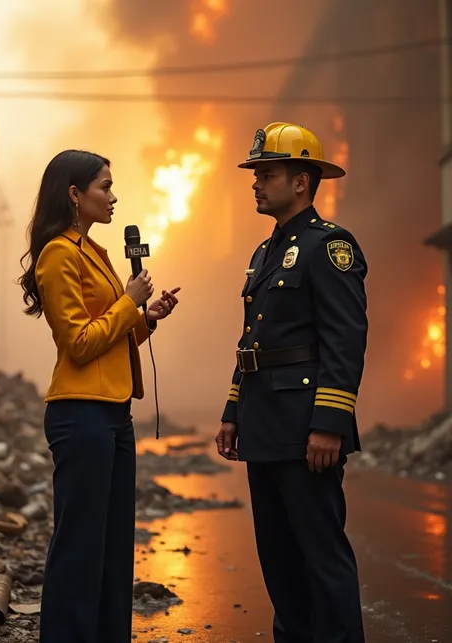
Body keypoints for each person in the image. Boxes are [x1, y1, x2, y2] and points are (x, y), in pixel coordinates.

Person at [18, 149, 180, 643]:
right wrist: (129, 302)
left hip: (114, 414)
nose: (113, 197)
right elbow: (80, 342)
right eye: (104, 187)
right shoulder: (58, 254)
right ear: (74, 194)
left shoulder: (94, 252)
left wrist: (145, 318)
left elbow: (110, 339)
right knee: (80, 546)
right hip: (80, 415)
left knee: (113, 546)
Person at [215, 122, 367, 643]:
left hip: (307, 430)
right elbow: (253, 341)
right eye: (256, 173)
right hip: (264, 427)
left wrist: (329, 424)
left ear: (302, 181)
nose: (256, 182)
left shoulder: (331, 247)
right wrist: (233, 411)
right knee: (279, 562)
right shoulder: (264, 253)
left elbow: (345, 341)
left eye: (267, 173)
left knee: (321, 558)